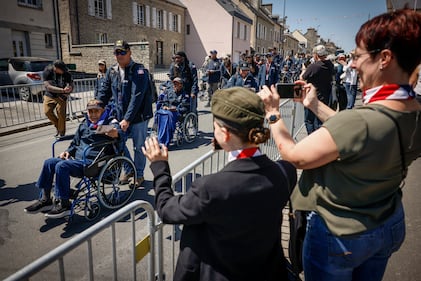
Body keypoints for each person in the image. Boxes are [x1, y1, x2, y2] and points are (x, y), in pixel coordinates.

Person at [258, 9, 421, 281]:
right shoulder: (412, 110)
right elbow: (359, 132)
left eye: (357, 56)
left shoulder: (362, 121)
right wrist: (314, 105)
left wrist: (273, 114)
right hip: (388, 221)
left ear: (385, 58)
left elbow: (294, 155)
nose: (353, 65)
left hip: (343, 234)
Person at [142, 87, 297, 281]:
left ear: (224, 133)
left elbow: (166, 209)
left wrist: (159, 167)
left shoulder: (210, 188)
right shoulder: (284, 172)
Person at [24, 99, 121, 218]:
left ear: (103, 111)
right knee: (49, 162)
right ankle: (45, 199)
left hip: (93, 163)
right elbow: (75, 143)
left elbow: (118, 133)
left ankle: (65, 204)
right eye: (90, 111)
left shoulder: (110, 121)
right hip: (78, 160)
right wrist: (67, 152)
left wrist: (111, 131)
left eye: (97, 111)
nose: (93, 114)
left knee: (61, 166)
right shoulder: (85, 124)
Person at [97, 40, 153, 187]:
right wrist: (96, 107)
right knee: (117, 142)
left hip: (138, 117)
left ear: (129, 53)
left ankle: (139, 175)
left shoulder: (139, 70)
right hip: (120, 116)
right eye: (117, 52)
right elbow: (104, 92)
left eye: (122, 52)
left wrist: (127, 119)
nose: (119, 55)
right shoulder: (112, 71)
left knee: (139, 147)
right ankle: (129, 169)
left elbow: (137, 96)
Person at [300, 44, 334, 134]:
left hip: (312, 97)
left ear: (316, 55)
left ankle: (312, 139)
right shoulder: (330, 65)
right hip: (325, 96)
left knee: (309, 120)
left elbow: (302, 77)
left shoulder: (314, 67)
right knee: (319, 121)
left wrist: (304, 69)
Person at [155, 77, 191, 146]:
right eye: (174, 84)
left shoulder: (184, 95)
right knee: (159, 113)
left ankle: (166, 140)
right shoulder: (170, 92)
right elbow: (165, 101)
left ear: (181, 85)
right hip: (168, 111)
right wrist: (165, 106)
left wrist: (176, 109)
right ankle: (161, 138)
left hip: (177, 113)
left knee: (168, 117)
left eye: (177, 84)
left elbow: (185, 107)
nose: (175, 85)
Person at [43, 60, 74, 137]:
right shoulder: (48, 71)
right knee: (47, 112)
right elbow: (48, 86)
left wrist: (68, 90)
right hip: (50, 95)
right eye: (61, 70)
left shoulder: (66, 73)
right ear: (55, 68)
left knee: (61, 113)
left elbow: (71, 84)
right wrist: (62, 90)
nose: (63, 71)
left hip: (62, 96)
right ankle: (58, 127)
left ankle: (62, 133)